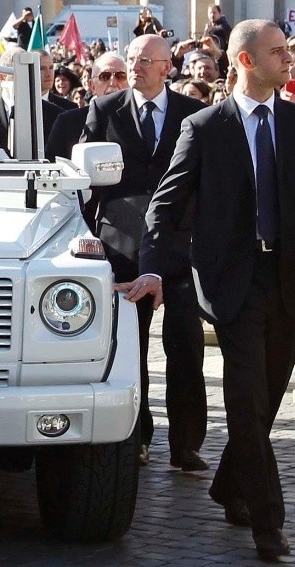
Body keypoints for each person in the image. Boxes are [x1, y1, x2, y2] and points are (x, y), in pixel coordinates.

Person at [123, 19, 295, 562]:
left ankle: (231, 484)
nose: (289, 61)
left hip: (294, 279)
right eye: (277, 52)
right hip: (232, 282)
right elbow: (164, 206)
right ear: (246, 61)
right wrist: (154, 268)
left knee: (267, 398)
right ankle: (268, 522)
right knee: (245, 395)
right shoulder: (205, 127)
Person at [81, 34, 207, 470]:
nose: (135, 67)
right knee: (127, 350)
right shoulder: (104, 110)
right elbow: (86, 180)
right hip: (122, 246)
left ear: (166, 67)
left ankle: (187, 442)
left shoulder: (194, 114)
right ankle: (136, 435)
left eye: (144, 60)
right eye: (131, 58)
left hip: (181, 247)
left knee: (187, 347)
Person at [48, 50, 127, 160]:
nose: (113, 83)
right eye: (105, 77)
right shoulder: (67, 122)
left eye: (120, 76)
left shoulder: (140, 120)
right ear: (92, 85)